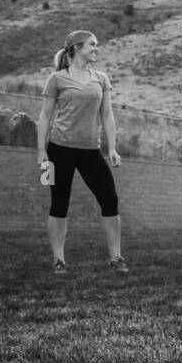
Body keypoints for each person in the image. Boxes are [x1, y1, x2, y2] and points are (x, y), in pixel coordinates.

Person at [36, 30, 127, 274]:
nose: (97, 48)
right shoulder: (57, 79)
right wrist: (41, 152)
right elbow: (45, 116)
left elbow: (106, 115)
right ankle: (58, 260)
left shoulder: (101, 78)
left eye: (97, 44)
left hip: (90, 149)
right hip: (59, 148)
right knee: (59, 202)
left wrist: (112, 148)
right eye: (92, 44)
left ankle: (116, 258)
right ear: (76, 48)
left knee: (110, 199)